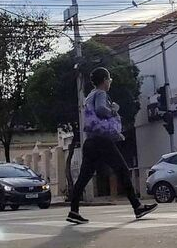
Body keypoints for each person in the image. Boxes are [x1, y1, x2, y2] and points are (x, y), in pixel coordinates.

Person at [67, 67, 157, 225]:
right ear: (104, 80)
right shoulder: (101, 93)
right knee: (122, 170)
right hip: (102, 141)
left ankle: (74, 211)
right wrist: (113, 111)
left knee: (84, 177)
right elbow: (102, 110)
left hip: (91, 141)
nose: (110, 82)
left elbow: (96, 120)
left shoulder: (89, 96)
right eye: (109, 79)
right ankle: (137, 207)